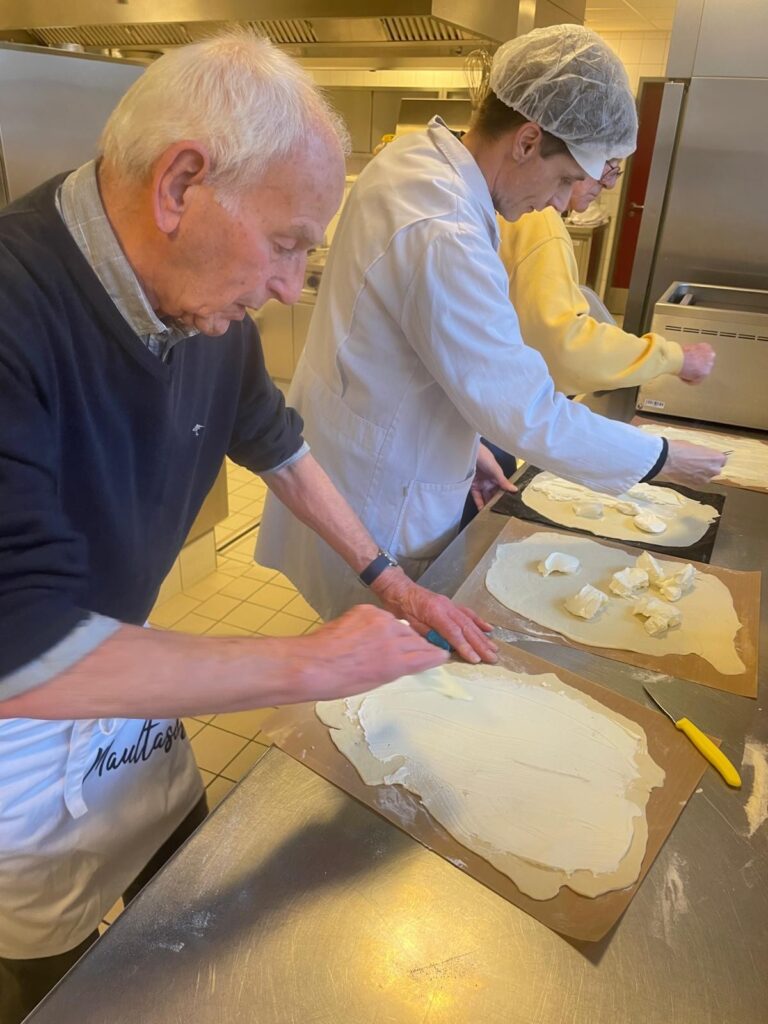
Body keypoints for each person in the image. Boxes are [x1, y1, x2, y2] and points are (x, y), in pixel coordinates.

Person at [0, 33, 496, 1023]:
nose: (289, 286)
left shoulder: (197, 305)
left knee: (185, 892)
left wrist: (387, 575)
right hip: (18, 717)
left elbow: (279, 449)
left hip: (129, 675)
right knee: (65, 981)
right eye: (287, 243)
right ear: (181, 183)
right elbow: (28, 655)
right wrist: (310, 664)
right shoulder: (18, 317)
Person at [257, 24, 727, 622]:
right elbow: (526, 410)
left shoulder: (412, 158)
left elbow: (413, 342)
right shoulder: (443, 230)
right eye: (564, 180)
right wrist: (659, 457)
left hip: (360, 449)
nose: (563, 204)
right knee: (378, 671)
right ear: (528, 141)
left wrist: (465, 437)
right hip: (382, 496)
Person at [498, 158, 716, 396]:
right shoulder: (540, 220)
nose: (609, 184)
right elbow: (564, 348)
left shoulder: (517, 206)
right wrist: (676, 358)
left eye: (615, 171)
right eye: (608, 164)